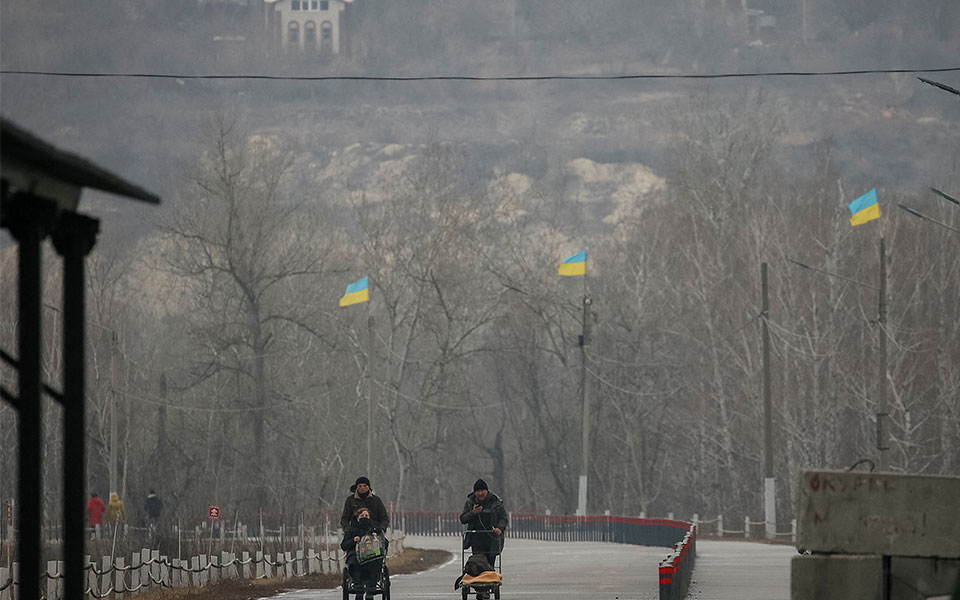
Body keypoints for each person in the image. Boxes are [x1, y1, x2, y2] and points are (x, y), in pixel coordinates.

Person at [340, 507, 387, 600]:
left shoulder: (375, 529)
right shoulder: (351, 530)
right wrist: (354, 540)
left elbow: (385, 543)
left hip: (372, 553)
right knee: (353, 562)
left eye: (366, 515)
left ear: (369, 517)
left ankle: (372, 586)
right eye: (362, 516)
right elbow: (344, 545)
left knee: (376, 561)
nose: (364, 517)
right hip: (355, 554)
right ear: (357, 517)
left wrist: (377, 539)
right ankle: (357, 585)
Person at [459, 479, 507, 570]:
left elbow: (503, 518)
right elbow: (463, 519)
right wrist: (473, 513)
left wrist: (499, 528)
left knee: (490, 565)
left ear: (487, 491)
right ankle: (479, 581)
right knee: (478, 564)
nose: (480, 493)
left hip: (492, 539)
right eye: (478, 491)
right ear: (474, 492)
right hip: (476, 540)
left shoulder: (496, 502)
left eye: (482, 491)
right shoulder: (470, 503)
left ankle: (489, 581)